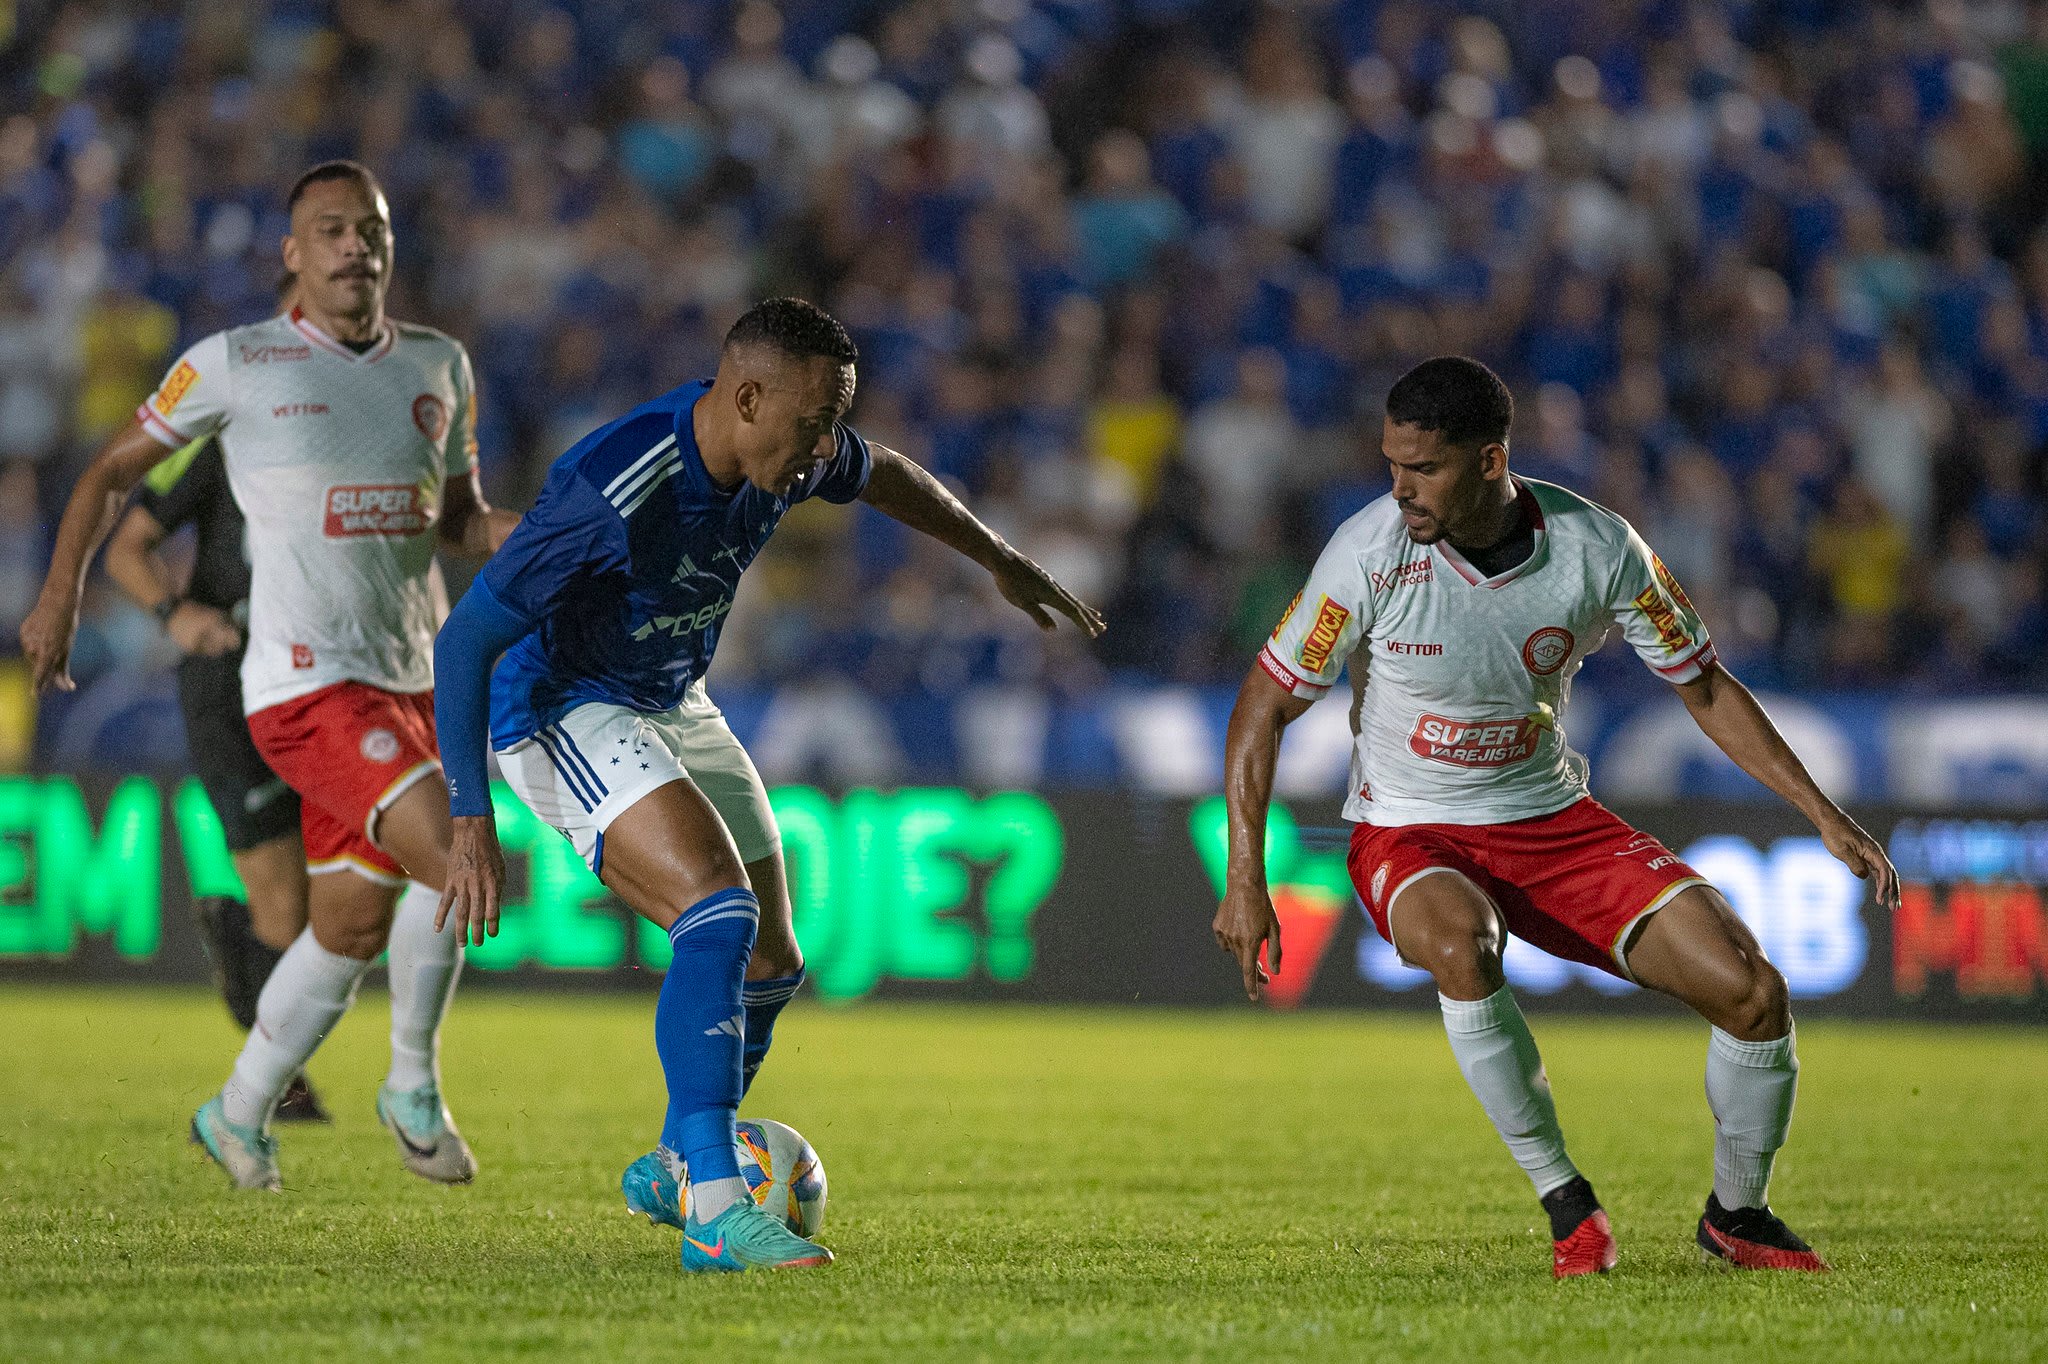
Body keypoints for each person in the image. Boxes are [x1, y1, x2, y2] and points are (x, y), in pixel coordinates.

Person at [432, 297, 1103, 1273]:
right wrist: (468, 813)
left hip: (671, 695)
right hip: (561, 706)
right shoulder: (617, 485)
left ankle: (672, 1161)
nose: (825, 445)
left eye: (835, 420)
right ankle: (713, 1202)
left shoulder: (792, 444)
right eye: (812, 421)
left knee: (771, 957)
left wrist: (997, 558)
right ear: (745, 395)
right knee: (715, 908)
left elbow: (890, 477)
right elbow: (468, 639)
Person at [1211, 356, 1900, 1278]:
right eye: (1392, 465)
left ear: (1491, 461)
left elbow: (1702, 685)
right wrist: (1244, 879)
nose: (1400, 488)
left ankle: (1738, 1214)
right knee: (1463, 944)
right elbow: (1263, 705)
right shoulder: (1367, 552)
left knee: (1752, 992)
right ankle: (1569, 1205)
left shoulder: (1599, 546)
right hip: (1409, 829)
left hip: (1551, 821)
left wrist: (1822, 811)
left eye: (1425, 468)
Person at [20, 160, 517, 1192]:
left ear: (389, 245)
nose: (353, 246)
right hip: (300, 682)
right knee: (459, 854)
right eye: (329, 230)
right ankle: (412, 1086)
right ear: (294, 255)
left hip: (412, 677)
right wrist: (62, 589)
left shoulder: (437, 364)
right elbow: (112, 470)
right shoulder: (236, 363)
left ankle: (235, 1110)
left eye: (368, 228)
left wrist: (564, 538)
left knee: (344, 926)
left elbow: (461, 519)